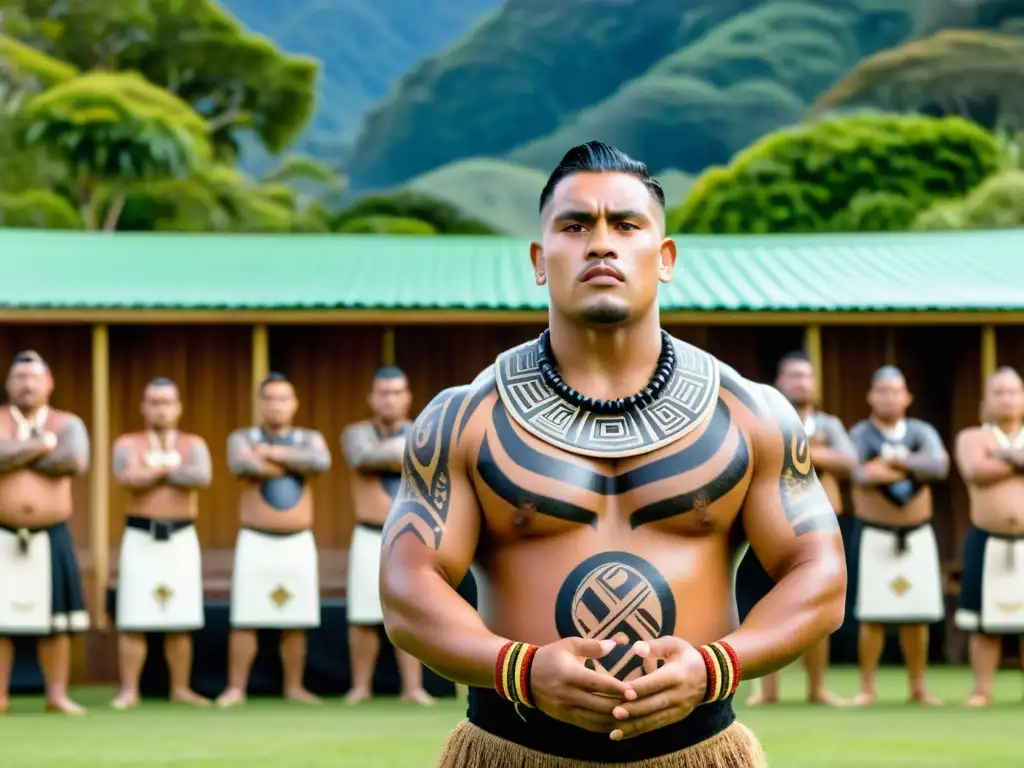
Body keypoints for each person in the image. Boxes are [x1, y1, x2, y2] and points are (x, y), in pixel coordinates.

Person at [378, 142, 847, 767]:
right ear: (540, 260)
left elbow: (819, 573)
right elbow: (406, 585)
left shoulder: (752, 415)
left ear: (666, 256)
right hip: (512, 748)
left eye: (626, 224)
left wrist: (717, 665)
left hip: (698, 751)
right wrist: (517, 669)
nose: (601, 243)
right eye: (575, 226)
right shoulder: (464, 418)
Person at [738, 351, 857, 707]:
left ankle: (817, 687)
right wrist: (810, 451)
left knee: (817, 603)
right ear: (779, 382)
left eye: (807, 376)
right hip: (771, 525)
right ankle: (768, 691)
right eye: (793, 376)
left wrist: (798, 451)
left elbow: (851, 463)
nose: (801, 382)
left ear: (815, 384)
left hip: (825, 525)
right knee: (768, 605)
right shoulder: (767, 418)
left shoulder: (830, 424)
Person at [216, 372, 332, 708]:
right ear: (260, 403)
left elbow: (320, 463)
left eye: (284, 398)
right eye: (270, 398)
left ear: (294, 403)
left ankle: (294, 686)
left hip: (297, 539)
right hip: (255, 539)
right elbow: (241, 464)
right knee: (245, 616)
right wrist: (291, 463)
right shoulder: (242, 437)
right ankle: (235, 687)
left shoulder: (309, 437)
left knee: (296, 617)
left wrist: (270, 454)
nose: (277, 405)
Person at [848, 366, 949, 707]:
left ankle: (918, 686)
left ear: (907, 396)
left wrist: (894, 463)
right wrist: (912, 464)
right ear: (870, 395)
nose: (889, 396)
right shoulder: (861, 433)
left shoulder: (921, 431)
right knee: (871, 614)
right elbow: (859, 472)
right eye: (882, 390)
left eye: (896, 390)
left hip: (917, 533)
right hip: (875, 533)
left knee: (916, 613)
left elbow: (938, 466)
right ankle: (867, 687)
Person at [110, 377, 212, 709]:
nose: (161, 408)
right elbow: (127, 478)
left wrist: (152, 469)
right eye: (154, 401)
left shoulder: (194, 443)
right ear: (143, 407)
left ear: (178, 406)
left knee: (180, 617)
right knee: (133, 616)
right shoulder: (128, 442)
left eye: (167, 401)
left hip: (181, 537)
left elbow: (201, 477)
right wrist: (169, 470)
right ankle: (129, 690)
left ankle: (180, 688)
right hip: (141, 537)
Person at [0, 351, 90, 715]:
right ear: (8, 383)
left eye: (34, 377)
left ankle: (57, 694)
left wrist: (15, 453)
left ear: (49, 382)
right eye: (20, 377)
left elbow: (73, 460)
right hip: (2, 533)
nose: (27, 384)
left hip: (51, 532)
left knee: (57, 622)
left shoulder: (67, 423)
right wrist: (40, 445)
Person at [341, 366, 434, 706]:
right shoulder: (356, 433)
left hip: (410, 536)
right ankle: (360, 686)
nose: (389, 399)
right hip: (368, 533)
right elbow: (362, 458)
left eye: (396, 392)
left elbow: (430, 461)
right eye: (383, 392)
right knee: (362, 613)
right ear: (371, 397)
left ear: (407, 397)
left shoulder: (424, 429)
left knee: (410, 609)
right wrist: (404, 454)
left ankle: (412, 687)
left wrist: (400, 455)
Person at [953, 366, 1024, 707]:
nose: (1007, 398)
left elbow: (993, 466)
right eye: (999, 392)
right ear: (986, 400)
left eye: (1013, 391)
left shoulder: (998, 444)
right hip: (987, 537)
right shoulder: (972, 437)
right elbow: (976, 471)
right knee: (984, 622)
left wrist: (1006, 455)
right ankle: (982, 689)